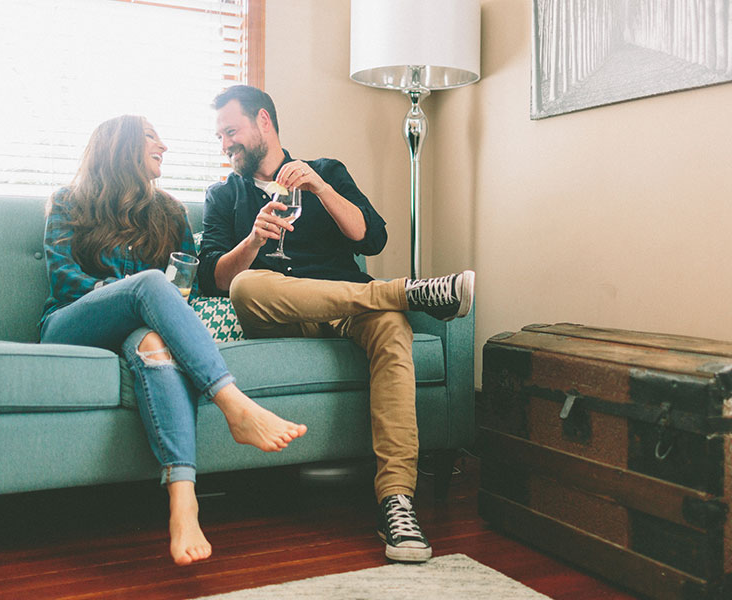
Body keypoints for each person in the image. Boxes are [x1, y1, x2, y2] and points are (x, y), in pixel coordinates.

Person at [199, 85, 475, 563]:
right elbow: (213, 281)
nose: (225, 144)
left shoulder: (326, 171)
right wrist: (251, 241)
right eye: (220, 136)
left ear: (264, 121)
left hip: (345, 309)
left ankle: (397, 500)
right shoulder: (225, 194)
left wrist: (321, 190)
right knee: (248, 286)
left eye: (231, 131)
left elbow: (372, 238)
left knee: (391, 326)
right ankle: (404, 293)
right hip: (279, 314)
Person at [39, 115, 307, 567]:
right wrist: (136, 294)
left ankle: (184, 503)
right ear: (120, 146)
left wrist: (161, 301)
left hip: (140, 329)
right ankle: (235, 405)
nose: (164, 145)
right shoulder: (69, 202)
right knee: (147, 287)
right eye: (150, 137)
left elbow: (188, 290)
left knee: (153, 347)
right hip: (72, 325)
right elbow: (67, 282)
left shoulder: (170, 212)